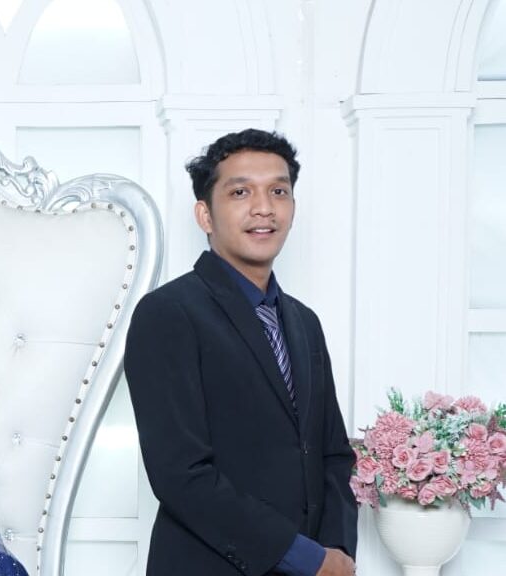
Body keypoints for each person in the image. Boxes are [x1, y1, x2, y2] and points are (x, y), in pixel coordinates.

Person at [124, 128, 357, 576]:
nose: (264, 207)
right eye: (240, 192)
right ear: (205, 215)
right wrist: (307, 559)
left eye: (278, 191)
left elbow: (331, 454)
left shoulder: (304, 322)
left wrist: (337, 552)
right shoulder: (168, 313)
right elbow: (181, 473)